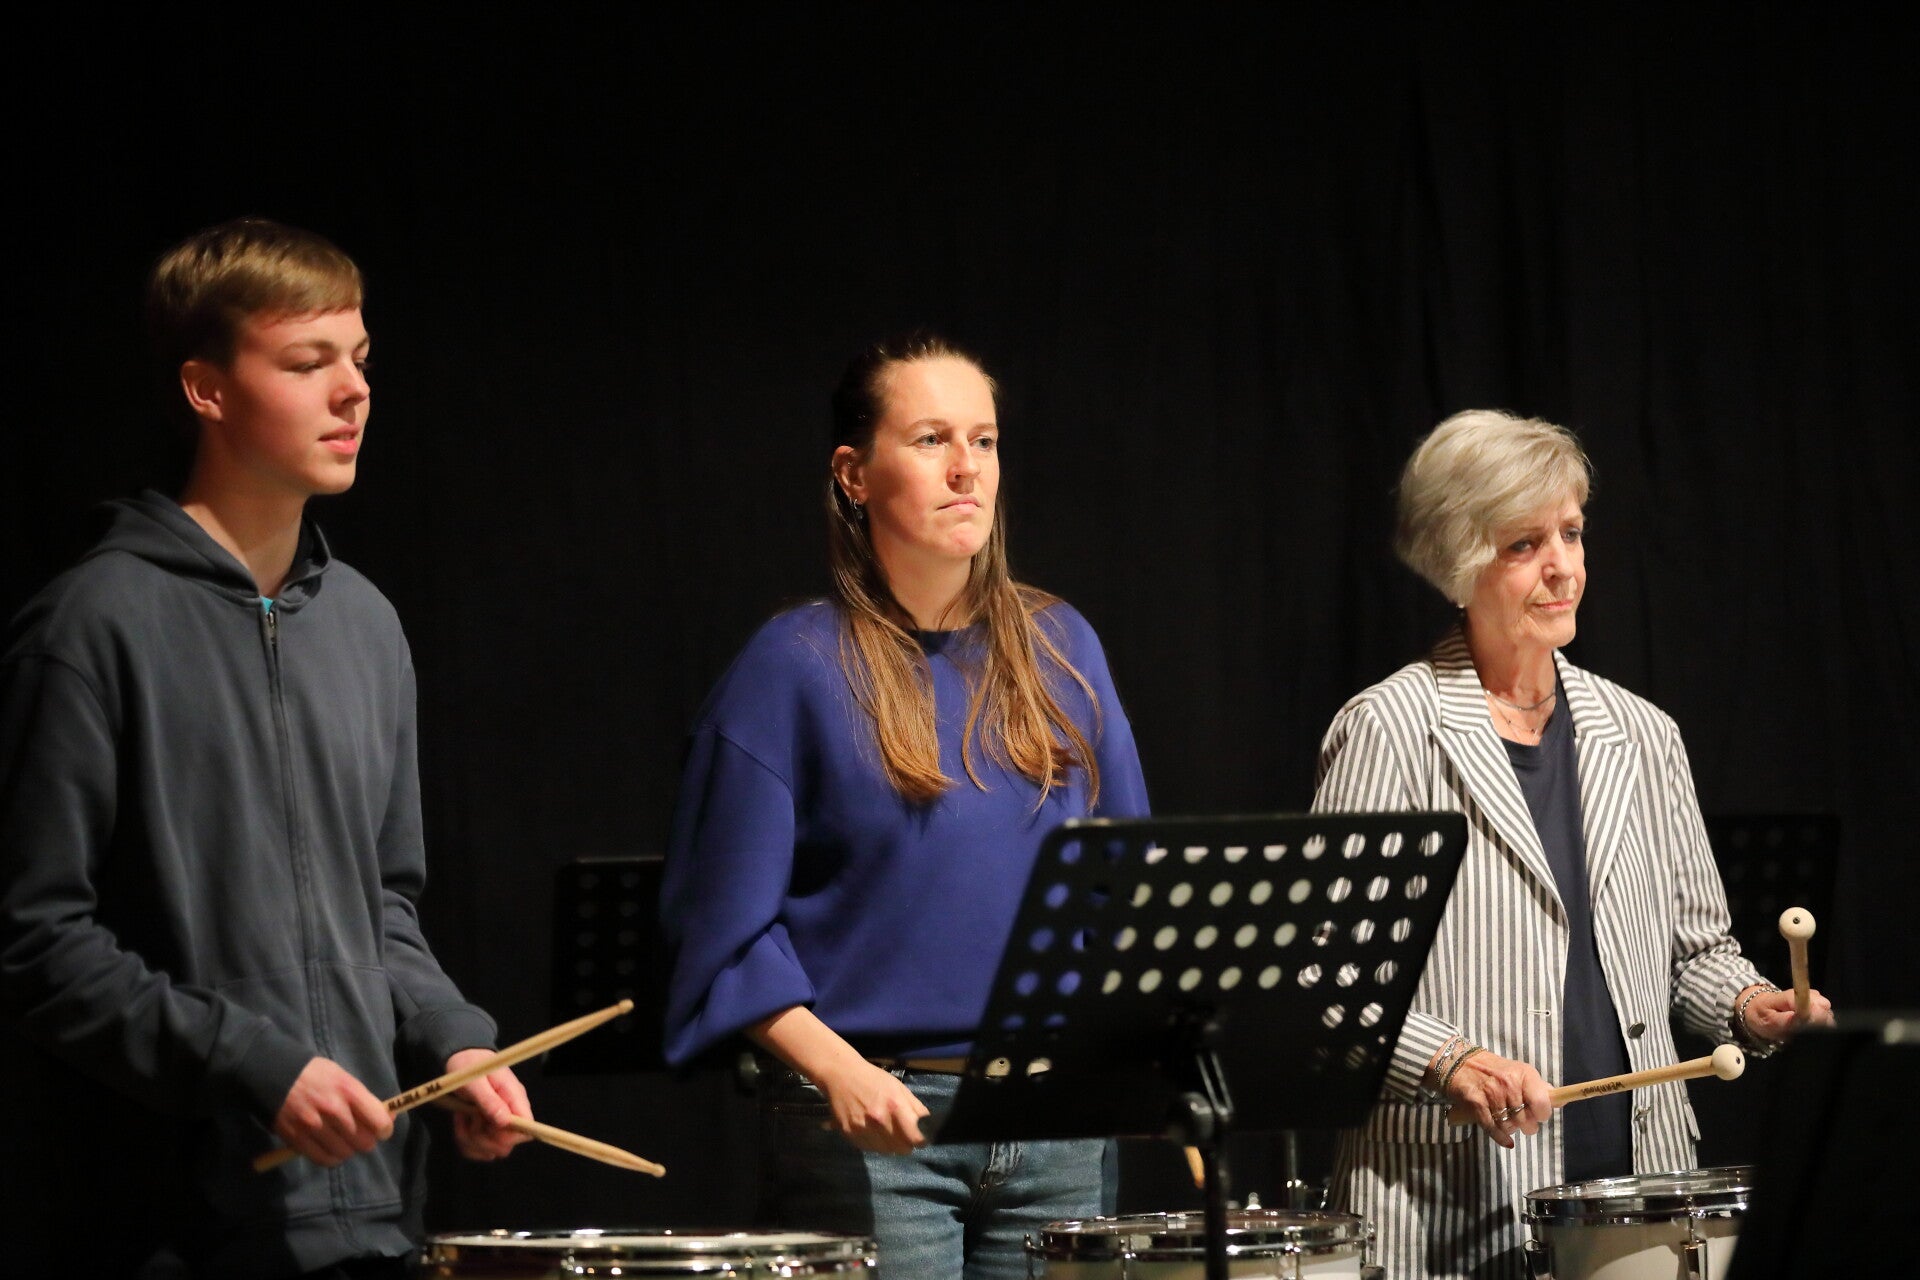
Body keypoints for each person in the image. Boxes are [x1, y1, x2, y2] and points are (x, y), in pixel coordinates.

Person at [0, 218, 532, 1278]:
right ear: (207, 389)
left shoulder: (365, 624)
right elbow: (36, 940)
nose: (354, 391)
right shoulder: (92, 626)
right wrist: (250, 1059)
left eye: (360, 359)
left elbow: (383, 906)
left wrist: (454, 1039)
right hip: (180, 1224)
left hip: (373, 1216)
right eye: (306, 362)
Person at [661, 332, 1149, 1279]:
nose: (967, 468)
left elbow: (1122, 886)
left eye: (984, 441)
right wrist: (837, 1070)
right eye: (931, 440)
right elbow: (722, 931)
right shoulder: (791, 666)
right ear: (853, 474)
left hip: (1053, 1122)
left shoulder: (1063, 647)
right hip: (879, 1126)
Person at [1310, 409, 1833, 1279]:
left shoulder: (1644, 733)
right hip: (1452, 1200)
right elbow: (1326, 972)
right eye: (1525, 544)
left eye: (1572, 532)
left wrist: (1752, 1005)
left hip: (1639, 1203)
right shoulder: (1390, 729)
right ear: (1459, 559)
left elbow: (1696, 954)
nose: (1563, 567)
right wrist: (1450, 1060)